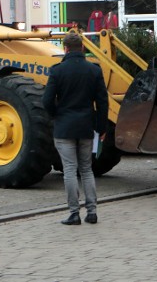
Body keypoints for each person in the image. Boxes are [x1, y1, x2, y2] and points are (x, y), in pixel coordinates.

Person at [43, 32, 109, 225]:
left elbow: (46, 100)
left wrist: (57, 114)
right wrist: (101, 126)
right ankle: (92, 212)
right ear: (82, 48)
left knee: (70, 170)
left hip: (64, 128)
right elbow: (102, 102)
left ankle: (74, 214)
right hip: (86, 127)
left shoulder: (57, 71)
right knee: (87, 169)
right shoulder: (94, 70)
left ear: (65, 49)